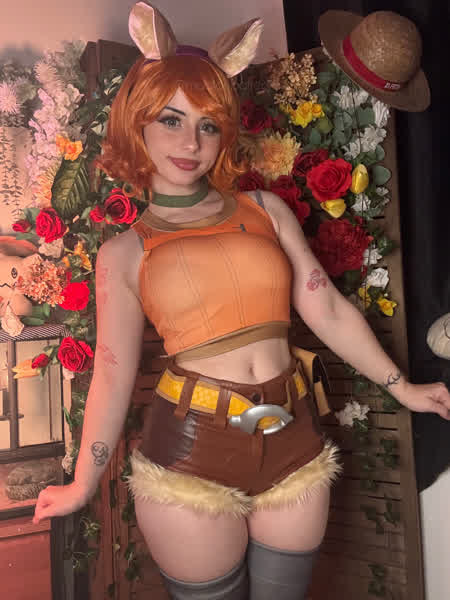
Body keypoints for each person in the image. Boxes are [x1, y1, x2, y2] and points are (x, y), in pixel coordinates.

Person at [32, 4, 450, 599]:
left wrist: (402, 388)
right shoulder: (123, 252)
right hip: (191, 451)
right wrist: (83, 481)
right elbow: (114, 369)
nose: (190, 141)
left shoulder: (265, 210)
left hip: (291, 434)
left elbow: (325, 307)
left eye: (208, 125)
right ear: (137, 123)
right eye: (171, 119)